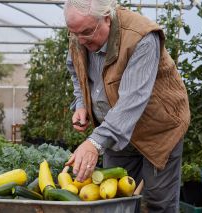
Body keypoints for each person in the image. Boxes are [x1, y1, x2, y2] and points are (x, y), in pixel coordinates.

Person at [63, 0, 190, 212]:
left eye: (87, 32)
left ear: (106, 17)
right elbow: (75, 69)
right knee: (115, 199)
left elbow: (132, 100)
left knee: (157, 202)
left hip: (157, 130)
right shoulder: (79, 34)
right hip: (114, 130)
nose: (81, 40)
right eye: (75, 33)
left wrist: (94, 143)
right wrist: (81, 103)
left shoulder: (141, 37)